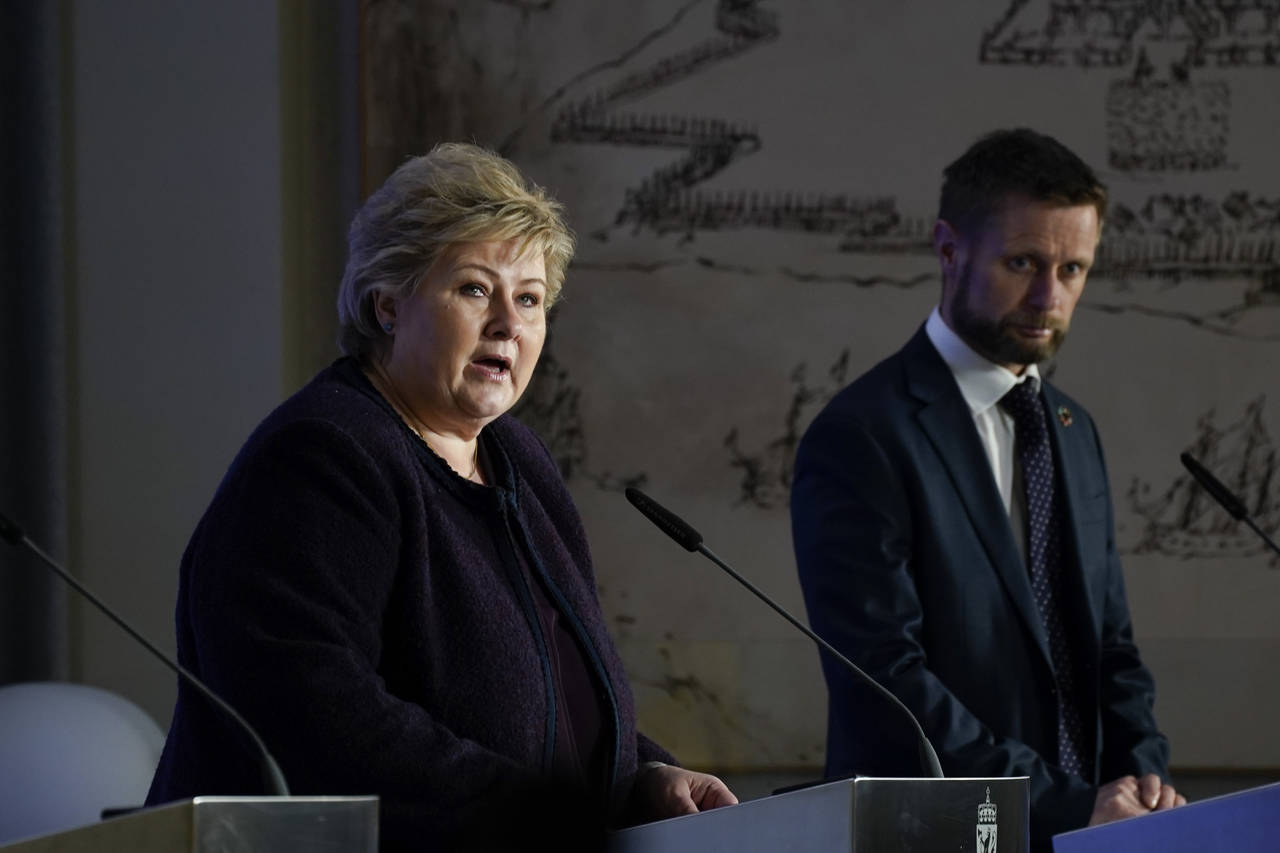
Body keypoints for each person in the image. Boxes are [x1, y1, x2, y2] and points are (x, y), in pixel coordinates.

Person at [146, 142, 736, 850]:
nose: (508, 326)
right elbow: (312, 712)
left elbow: (550, 692)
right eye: (474, 289)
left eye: (529, 298)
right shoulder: (324, 456)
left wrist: (641, 775)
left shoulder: (518, 459)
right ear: (388, 304)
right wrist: (542, 815)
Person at [790, 128, 1182, 848]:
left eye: (1073, 269)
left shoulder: (1074, 428)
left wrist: (1142, 781)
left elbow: (1110, 648)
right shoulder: (862, 433)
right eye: (1023, 262)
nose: (1048, 296)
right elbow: (886, 684)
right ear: (948, 248)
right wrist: (1067, 804)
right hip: (929, 836)